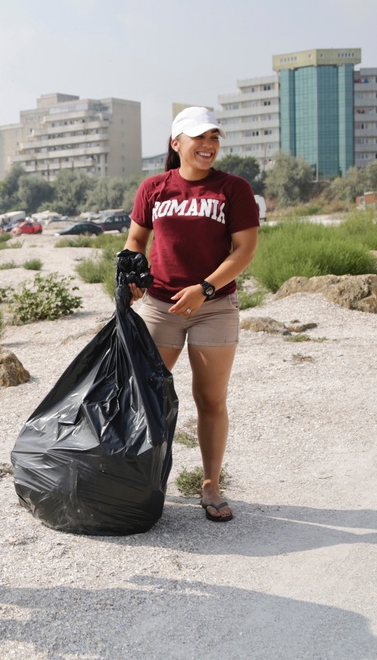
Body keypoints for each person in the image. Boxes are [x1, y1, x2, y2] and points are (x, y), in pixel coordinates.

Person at [123, 106, 259, 523]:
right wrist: (130, 274)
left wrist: (205, 289)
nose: (209, 145)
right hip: (160, 307)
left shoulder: (233, 189)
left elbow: (244, 251)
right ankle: (138, 480)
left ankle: (210, 485)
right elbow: (135, 241)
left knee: (210, 399)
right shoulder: (153, 188)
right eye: (200, 137)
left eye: (214, 138)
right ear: (176, 142)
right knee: (143, 397)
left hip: (213, 307)